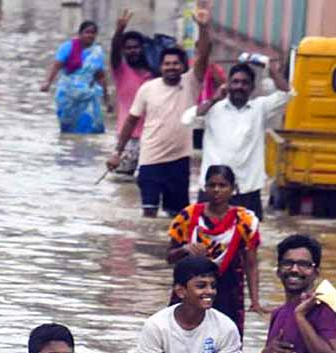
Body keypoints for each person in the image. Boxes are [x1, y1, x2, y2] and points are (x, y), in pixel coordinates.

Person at [107, 5, 213, 217]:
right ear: (161, 66)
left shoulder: (190, 83)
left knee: (178, 217)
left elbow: (203, 55)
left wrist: (203, 28)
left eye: (176, 64)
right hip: (150, 160)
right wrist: (117, 152)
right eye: (167, 64)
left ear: (183, 67)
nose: (171, 67)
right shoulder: (148, 88)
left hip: (179, 161)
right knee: (149, 217)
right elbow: (130, 121)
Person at [181, 58, 293, 219]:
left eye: (244, 83)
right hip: (213, 189)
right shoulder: (213, 108)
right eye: (235, 82)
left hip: (247, 190)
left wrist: (272, 70)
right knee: (204, 238)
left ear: (252, 87)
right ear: (228, 84)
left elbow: (288, 94)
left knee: (248, 241)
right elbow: (187, 120)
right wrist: (213, 99)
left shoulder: (260, 108)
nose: (239, 86)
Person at [166, 165, 265, 336]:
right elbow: (169, 257)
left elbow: (251, 263)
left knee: (227, 343)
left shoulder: (245, 221)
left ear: (233, 189)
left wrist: (255, 301)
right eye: (212, 185)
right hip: (190, 293)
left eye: (222, 185)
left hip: (229, 292)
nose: (216, 190)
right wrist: (185, 249)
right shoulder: (188, 217)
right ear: (205, 188)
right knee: (179, 336)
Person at [41, 21, 110, 134]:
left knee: (92, 129)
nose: (90, 35)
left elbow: (101, 76)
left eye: (93, 33)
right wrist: (47, 83)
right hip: (68, 96)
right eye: (87, 32)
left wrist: (107, 99)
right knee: (69, 131)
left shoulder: (97, 52)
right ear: (80, 33)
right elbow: (56, 66)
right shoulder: (68, 47)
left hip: (88, 96)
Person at [109, 10, 155, 174]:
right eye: (128, 48)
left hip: (151, 137)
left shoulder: (153, 74)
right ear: (123, 51)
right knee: (122, 183)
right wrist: (119, 31)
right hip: (127, 138)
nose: (133, 51)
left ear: (142, 49)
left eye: (136, 47)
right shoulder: (120, 70)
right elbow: (114, 51)